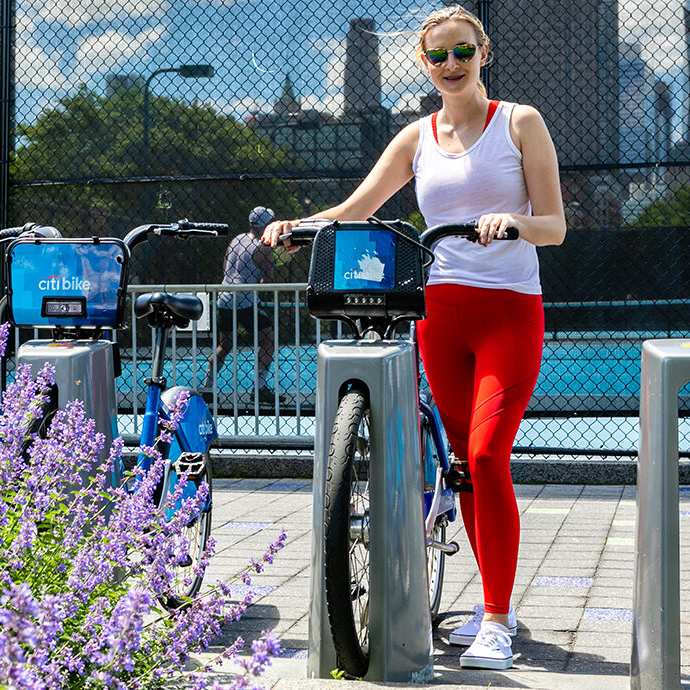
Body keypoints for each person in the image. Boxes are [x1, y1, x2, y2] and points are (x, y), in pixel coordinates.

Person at [262, 5, 565, 671]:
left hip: (509, 311)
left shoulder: (519, 123)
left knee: (488, 457)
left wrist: (509, 221)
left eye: (463, 51)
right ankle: (496, 606)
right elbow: (356, 207)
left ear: (483, 52)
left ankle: (495, 620)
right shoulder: (416, 137)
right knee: (461, 462)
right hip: (439, 317)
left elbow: (555, 226)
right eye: (438, 56)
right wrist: (297, 225)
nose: (452, 65)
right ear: (424, 64)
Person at [206, 206, 279, 403]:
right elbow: (268, 282)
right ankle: (260, 388)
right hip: (245, 300)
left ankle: (207, 387)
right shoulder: (263, 247)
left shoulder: (236, 240)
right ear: (267, 225)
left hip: (225, 298)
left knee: (225, 344)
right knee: (268, 341)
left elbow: (225, 270)